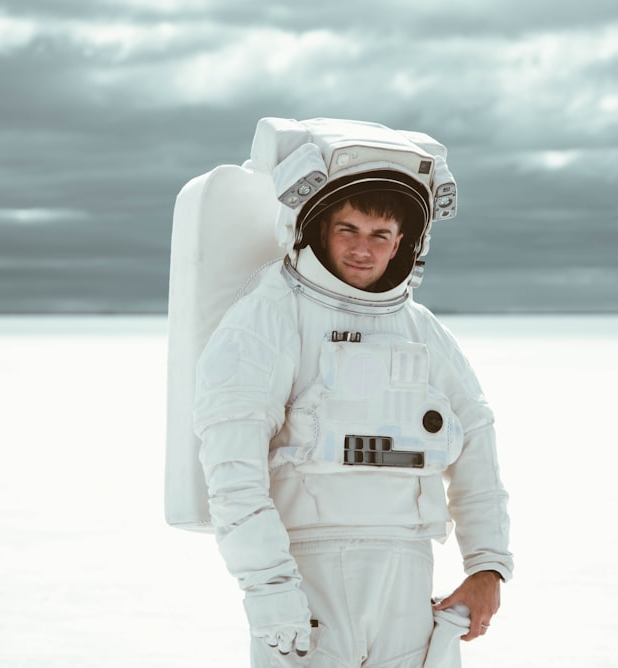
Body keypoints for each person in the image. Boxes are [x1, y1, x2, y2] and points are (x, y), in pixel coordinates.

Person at [189, 117, 513, 667]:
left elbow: (476, 442)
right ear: (316, 227)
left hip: (408, 579)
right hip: (305, 580)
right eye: (349, 229)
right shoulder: (270, 315)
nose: (364, 249)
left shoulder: (420, 328)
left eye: (380, 235)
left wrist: (487, 567)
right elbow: (232, 461)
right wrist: (268, 589)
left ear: (402, 243)